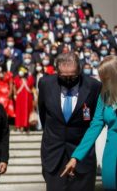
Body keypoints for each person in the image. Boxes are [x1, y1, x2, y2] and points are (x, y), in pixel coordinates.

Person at [38, 52, 102, 191]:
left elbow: (94, 120)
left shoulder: (93, 86)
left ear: (79, 71)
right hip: (54, 154)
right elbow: (44, 115)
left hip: (82, 155)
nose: (68, 80)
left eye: (72, 76)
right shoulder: (45, 84)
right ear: (57, 71)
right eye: (63, 76)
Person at [61, 55, 117, 190]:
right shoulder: (104, 95)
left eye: (106, 77)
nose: (103, 81)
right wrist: (76, 157)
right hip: (112, 151)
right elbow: (95, 126)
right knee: (110, 185)